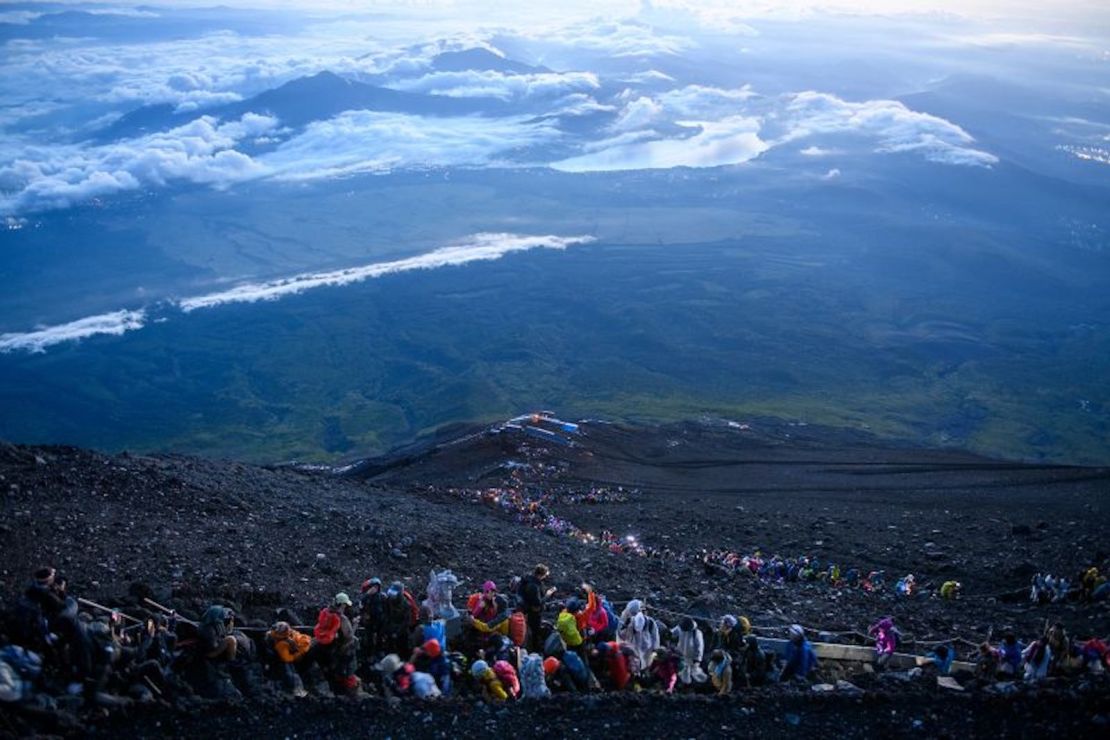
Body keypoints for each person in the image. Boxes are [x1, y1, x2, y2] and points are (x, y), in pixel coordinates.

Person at [311, 593, 358, 695]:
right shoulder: (342, 619)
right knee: (347, 671)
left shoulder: (326, 613)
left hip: (324, 647)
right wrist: (355, 625)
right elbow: (349, 636)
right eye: (345, 605)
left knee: (329, 672)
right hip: (337, 650)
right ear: (342, 605)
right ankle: (350, 690)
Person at [266, 621, 310, 697]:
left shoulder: (292, 635)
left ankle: (298, 689)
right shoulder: (280, 643)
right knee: (290, 672)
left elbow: (305, 640)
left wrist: (299, 651)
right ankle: (297, 690)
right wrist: (297, 655)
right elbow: (286, 658)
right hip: (280, 658)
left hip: (288, 655)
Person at [616, 600, 660, 676]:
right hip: (634, 649)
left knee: (644, 665)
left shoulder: (650, 623)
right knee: (634, 665)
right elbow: (620, 634)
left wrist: (655, 649)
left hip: (645, 649)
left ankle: (642, 674)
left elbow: (655, 637)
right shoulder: (627, 621)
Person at [519, 565, 556, 652]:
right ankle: (535, 649)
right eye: (545, 575)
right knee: (535, 630)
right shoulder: (533, 586)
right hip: (533, 612)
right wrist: (548, 595)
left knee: (532, 629)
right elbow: (537, 602)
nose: (546, 577)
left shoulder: (531, 580)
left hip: (528, 610)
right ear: (540, 575)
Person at [382, 582, 418, 658]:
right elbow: (386, 614)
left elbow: (406, 621)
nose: (392, 596)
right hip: (390, 627)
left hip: (401, 631)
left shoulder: (406, 605)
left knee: (403, 648)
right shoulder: (388, 601)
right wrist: (388, 628)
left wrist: (397, 632)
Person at [358, 577, 386, 663]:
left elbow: (387, 608)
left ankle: (379, 652)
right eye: (373, 587)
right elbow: (361, 607)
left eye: (376, 587)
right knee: (369, 638)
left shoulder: (382, 597)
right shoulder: (366, 597)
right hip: (369, 621)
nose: (374, 589)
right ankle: (369, 654)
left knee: (380, 637)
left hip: (380, 621)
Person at [671, 618, 706, 685]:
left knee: (695, 672)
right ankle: (686, 684)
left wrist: (698, 659)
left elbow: (700, 647)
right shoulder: (680, 628)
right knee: (684, 672)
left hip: (691, 656)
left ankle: (704, 682)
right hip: (681, 654)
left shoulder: (697, 633)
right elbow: (672, 633)